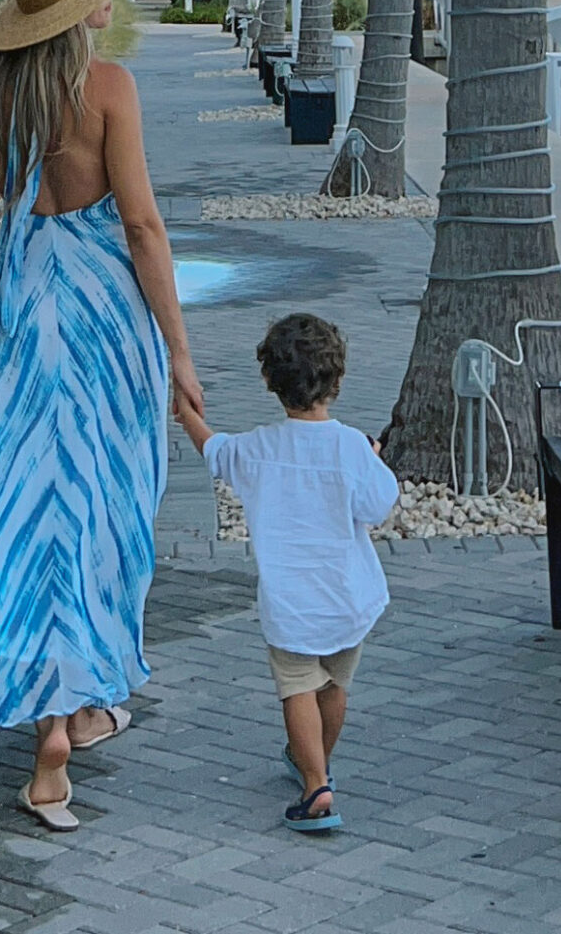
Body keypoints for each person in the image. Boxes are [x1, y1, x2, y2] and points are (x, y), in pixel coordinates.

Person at [0, 0, 203, 832]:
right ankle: (73, 707)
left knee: (29, 501)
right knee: (103, 500)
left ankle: (55, 726)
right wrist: (180, 350)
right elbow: (142, 227)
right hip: (107, 315)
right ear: (76, 9)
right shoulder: (108, 88)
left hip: (26, 305)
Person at [172, 314, 398, 833]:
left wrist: (186, 414)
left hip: (291, 602)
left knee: (297, 687)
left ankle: (315, 784)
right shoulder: (351, 447)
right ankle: (316, 763)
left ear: (269, 380)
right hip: (348, 598)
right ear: (338, 379)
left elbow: (214, 451)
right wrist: (372, 458)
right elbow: (376, 506)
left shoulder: (258, 448)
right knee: (334, 686)